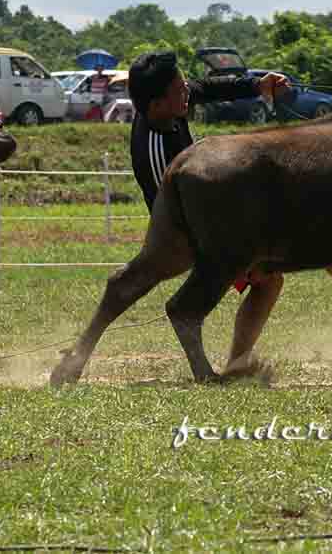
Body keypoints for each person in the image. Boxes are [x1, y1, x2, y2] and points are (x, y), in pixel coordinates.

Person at [127, 51, 296, 371]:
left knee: (272, 272)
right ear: (157, 104)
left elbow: (206, 87)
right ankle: (236, 361)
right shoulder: (155, 151)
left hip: (209, 216)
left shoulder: (170, 103)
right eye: (179, 90)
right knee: (267, 279)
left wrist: (256, 85)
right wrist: (222, 254)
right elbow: (170, 214)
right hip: (191, 236)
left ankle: (237, 360)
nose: (187, 92)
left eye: (183, 85)